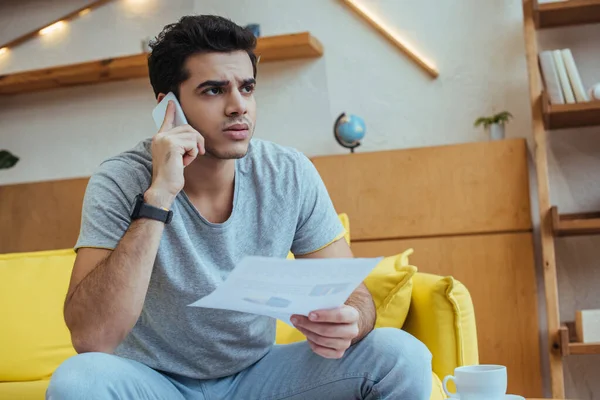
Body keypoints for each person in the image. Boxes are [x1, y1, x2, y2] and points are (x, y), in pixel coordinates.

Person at [46, 15, 432, 400]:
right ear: (169, 107)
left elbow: (354, 295)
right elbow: (91, 337)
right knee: (77, 381)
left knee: (400, 355)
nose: (238, 107)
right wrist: (159, 196)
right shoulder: (120, 179)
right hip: (155, 384)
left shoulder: (288, 172)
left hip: (259, 378)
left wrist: (352, 321)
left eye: (246, 88)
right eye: (213, 91)